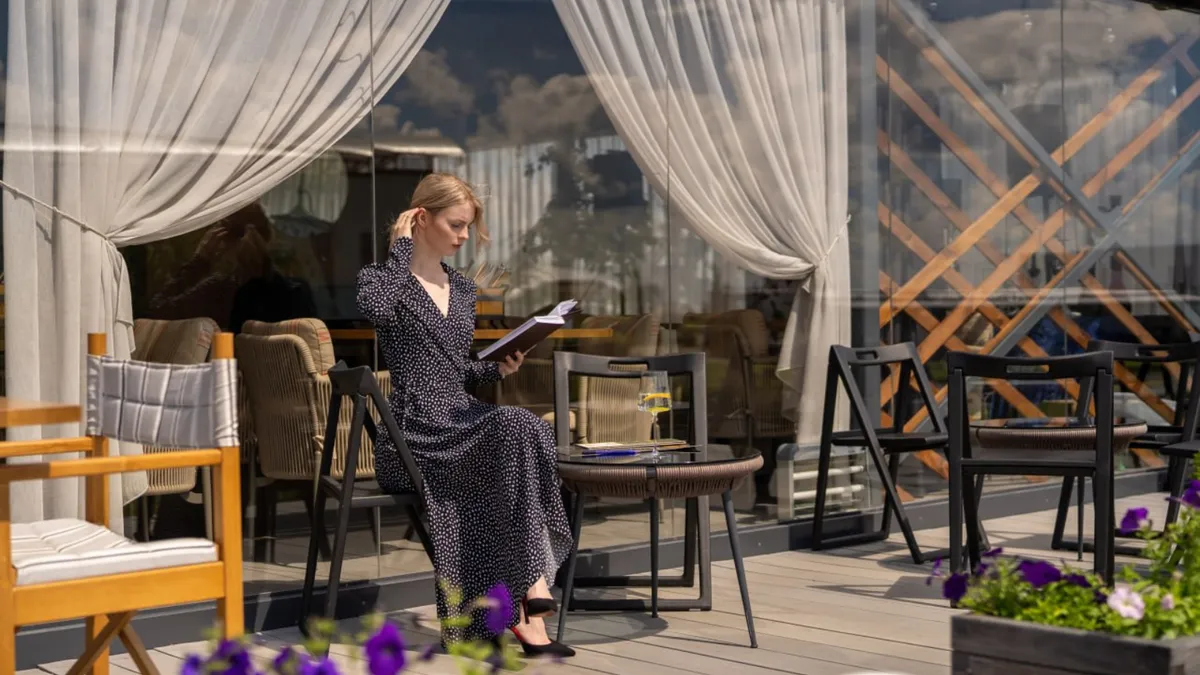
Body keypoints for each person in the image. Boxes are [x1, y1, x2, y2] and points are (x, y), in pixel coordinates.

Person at [356, 173, 575, 657]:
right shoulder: (381, 278)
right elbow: (376, 310)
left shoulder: (460, 287)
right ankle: (530, 590)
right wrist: (401, 250)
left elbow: (456, 370)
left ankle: (515, 609)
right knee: (511, 431)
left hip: (460, 420)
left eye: (467, 228)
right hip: (412, 432)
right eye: (455, 225)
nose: (462, 237)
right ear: (421, 218)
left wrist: (496, 367)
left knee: (522, 425)